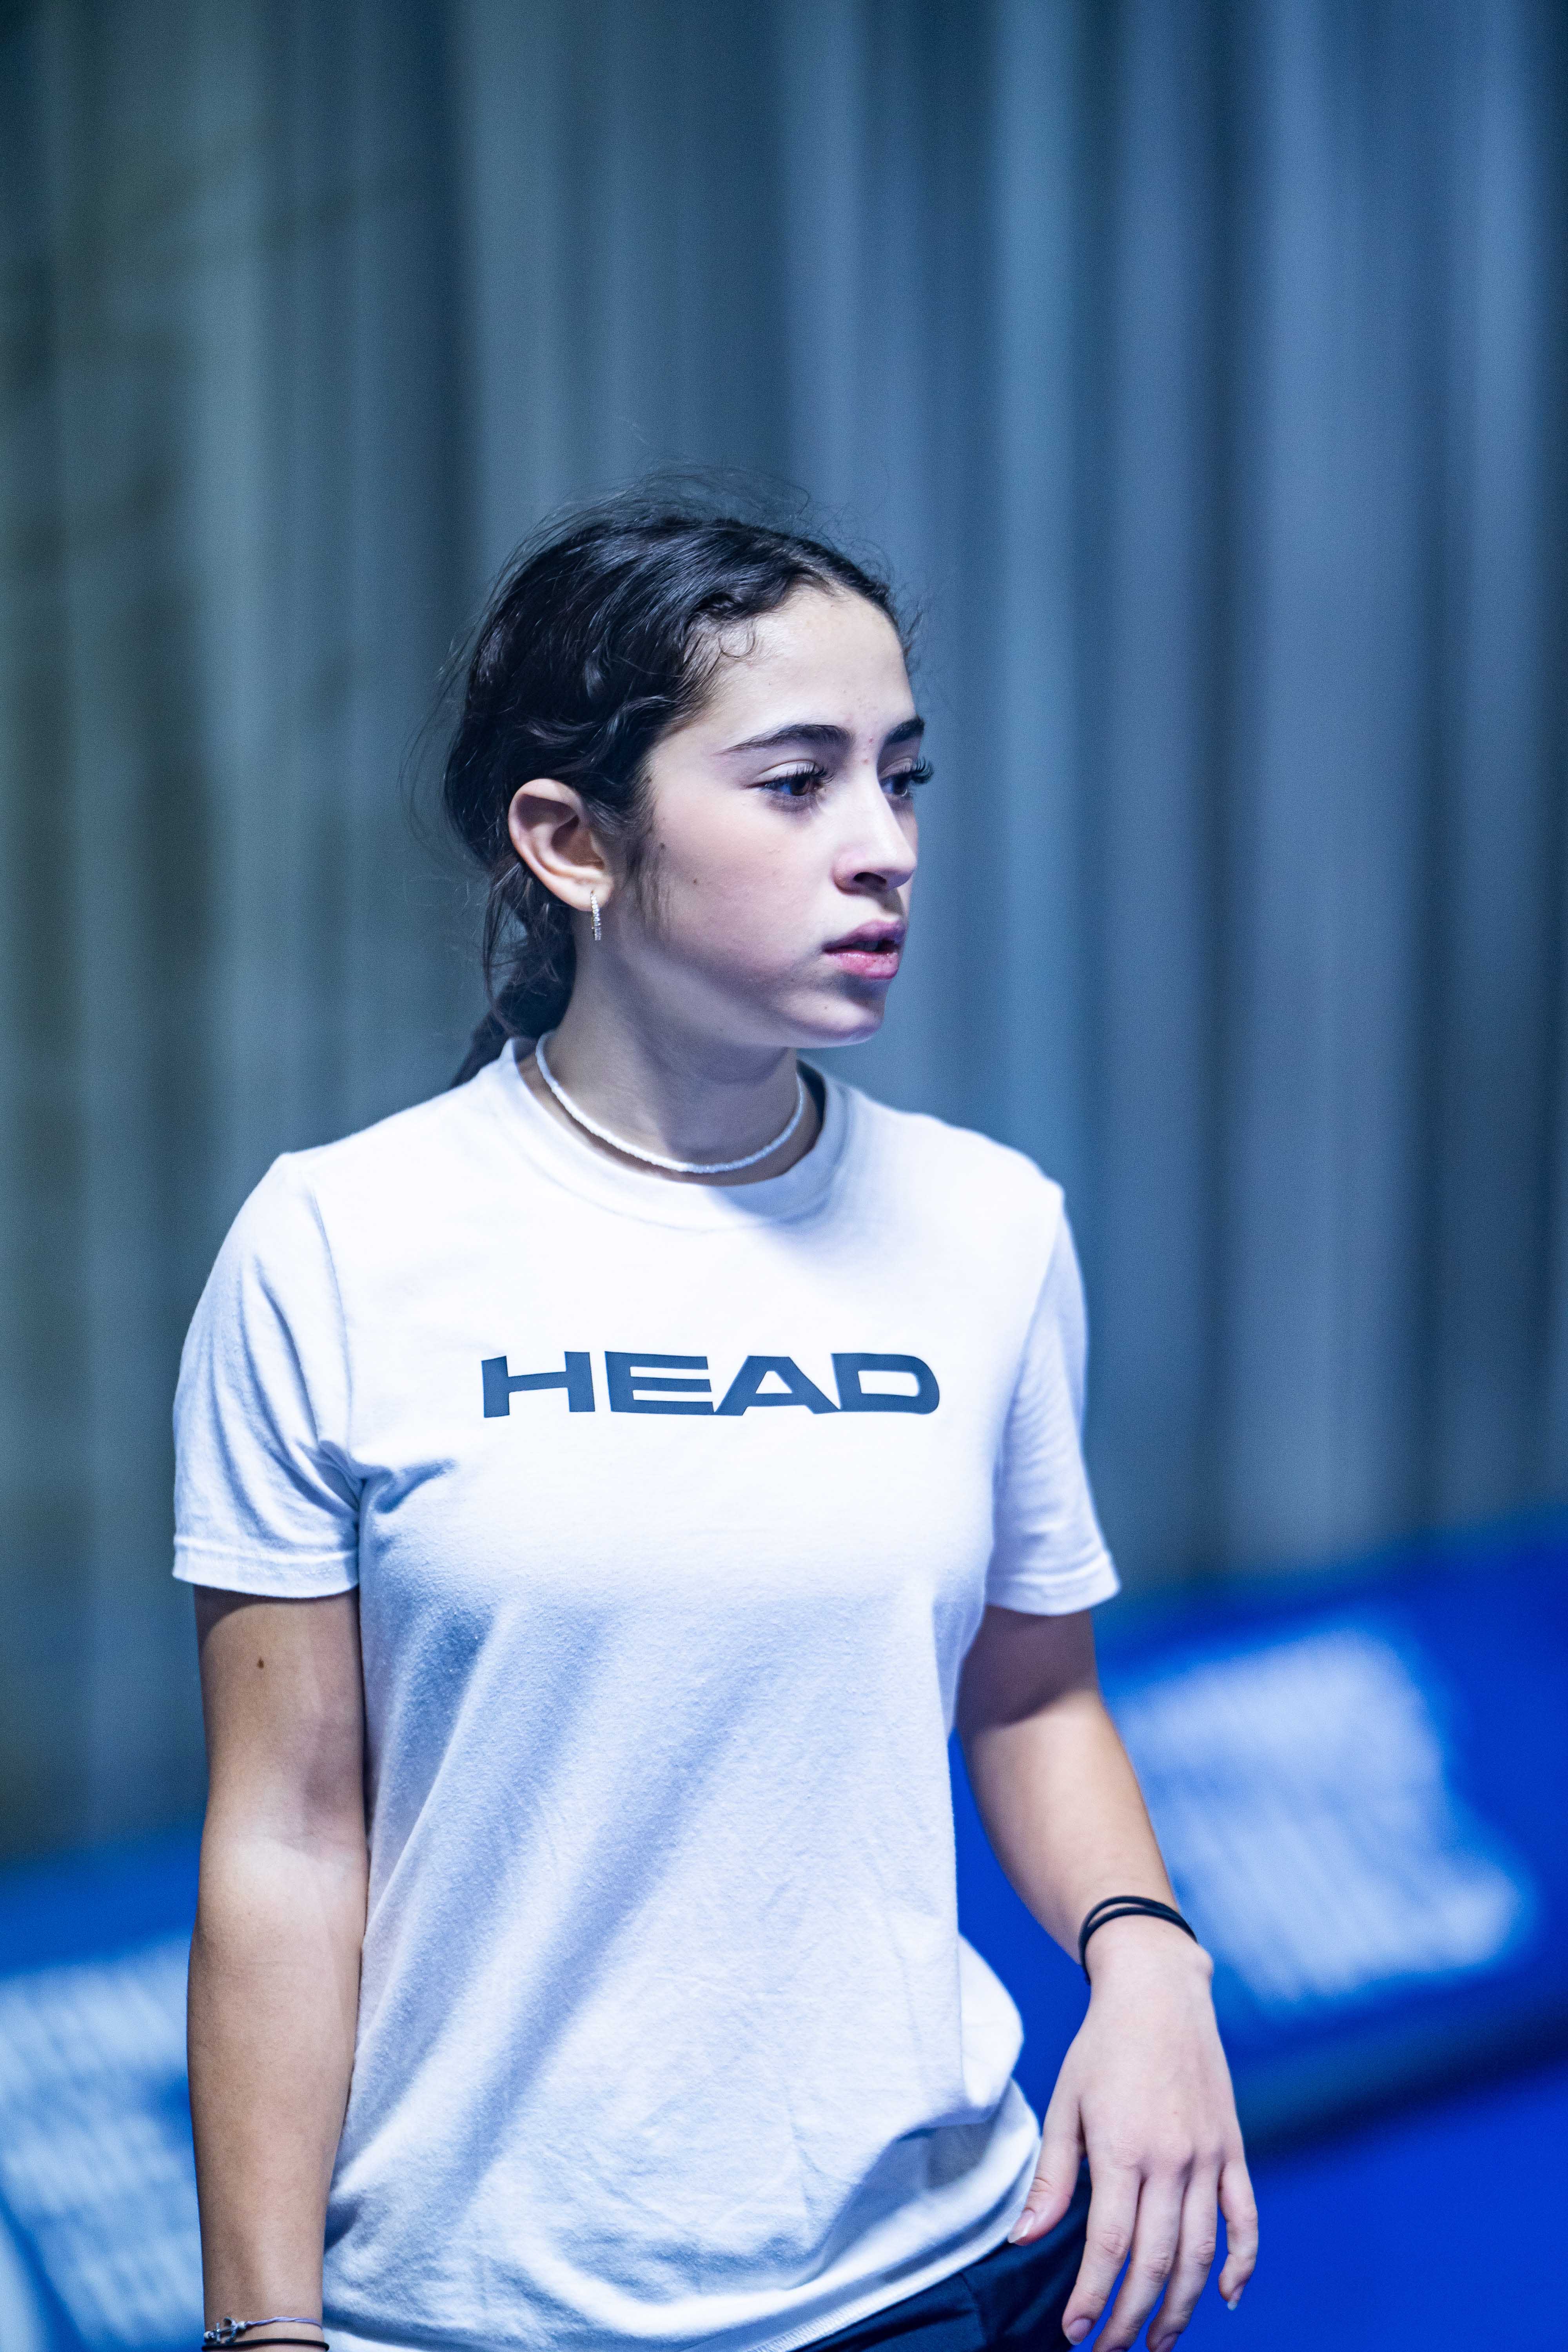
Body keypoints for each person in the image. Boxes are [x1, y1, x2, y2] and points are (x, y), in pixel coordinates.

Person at [179, 501, 1257, 2352]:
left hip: (935, 2275)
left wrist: (1147, 1957)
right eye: (796, 782)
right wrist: (263, 2332)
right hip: (472, 2307)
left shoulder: (988, 1229)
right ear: (572, 842)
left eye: (901, 779)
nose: (885, 846)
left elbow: (1030, 1695)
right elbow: (287, 1834)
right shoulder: (338, 1247)